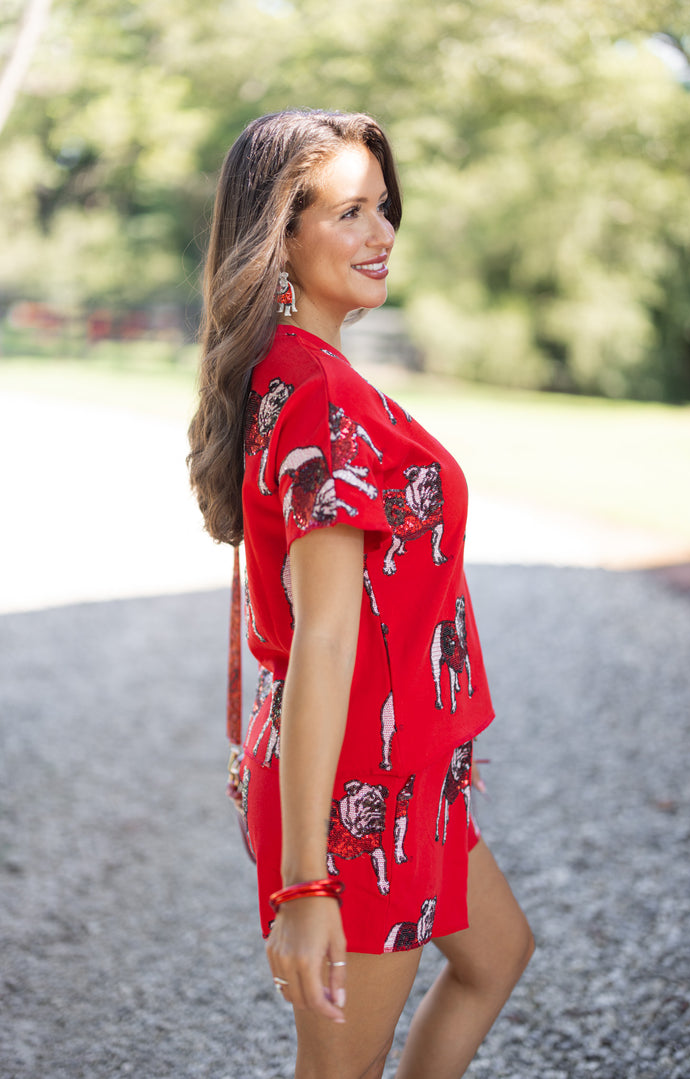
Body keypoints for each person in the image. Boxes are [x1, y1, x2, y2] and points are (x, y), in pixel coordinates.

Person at [187, 108, 534, 1079]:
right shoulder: (319, 397)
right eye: (348, 212)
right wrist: (307, 883)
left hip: (408, 772)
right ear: (280, 236)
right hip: (356, 796)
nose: (381, 234)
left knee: (496, 954)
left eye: (384, 207)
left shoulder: (311, 375)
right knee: (342, 1067)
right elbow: (325, 641)